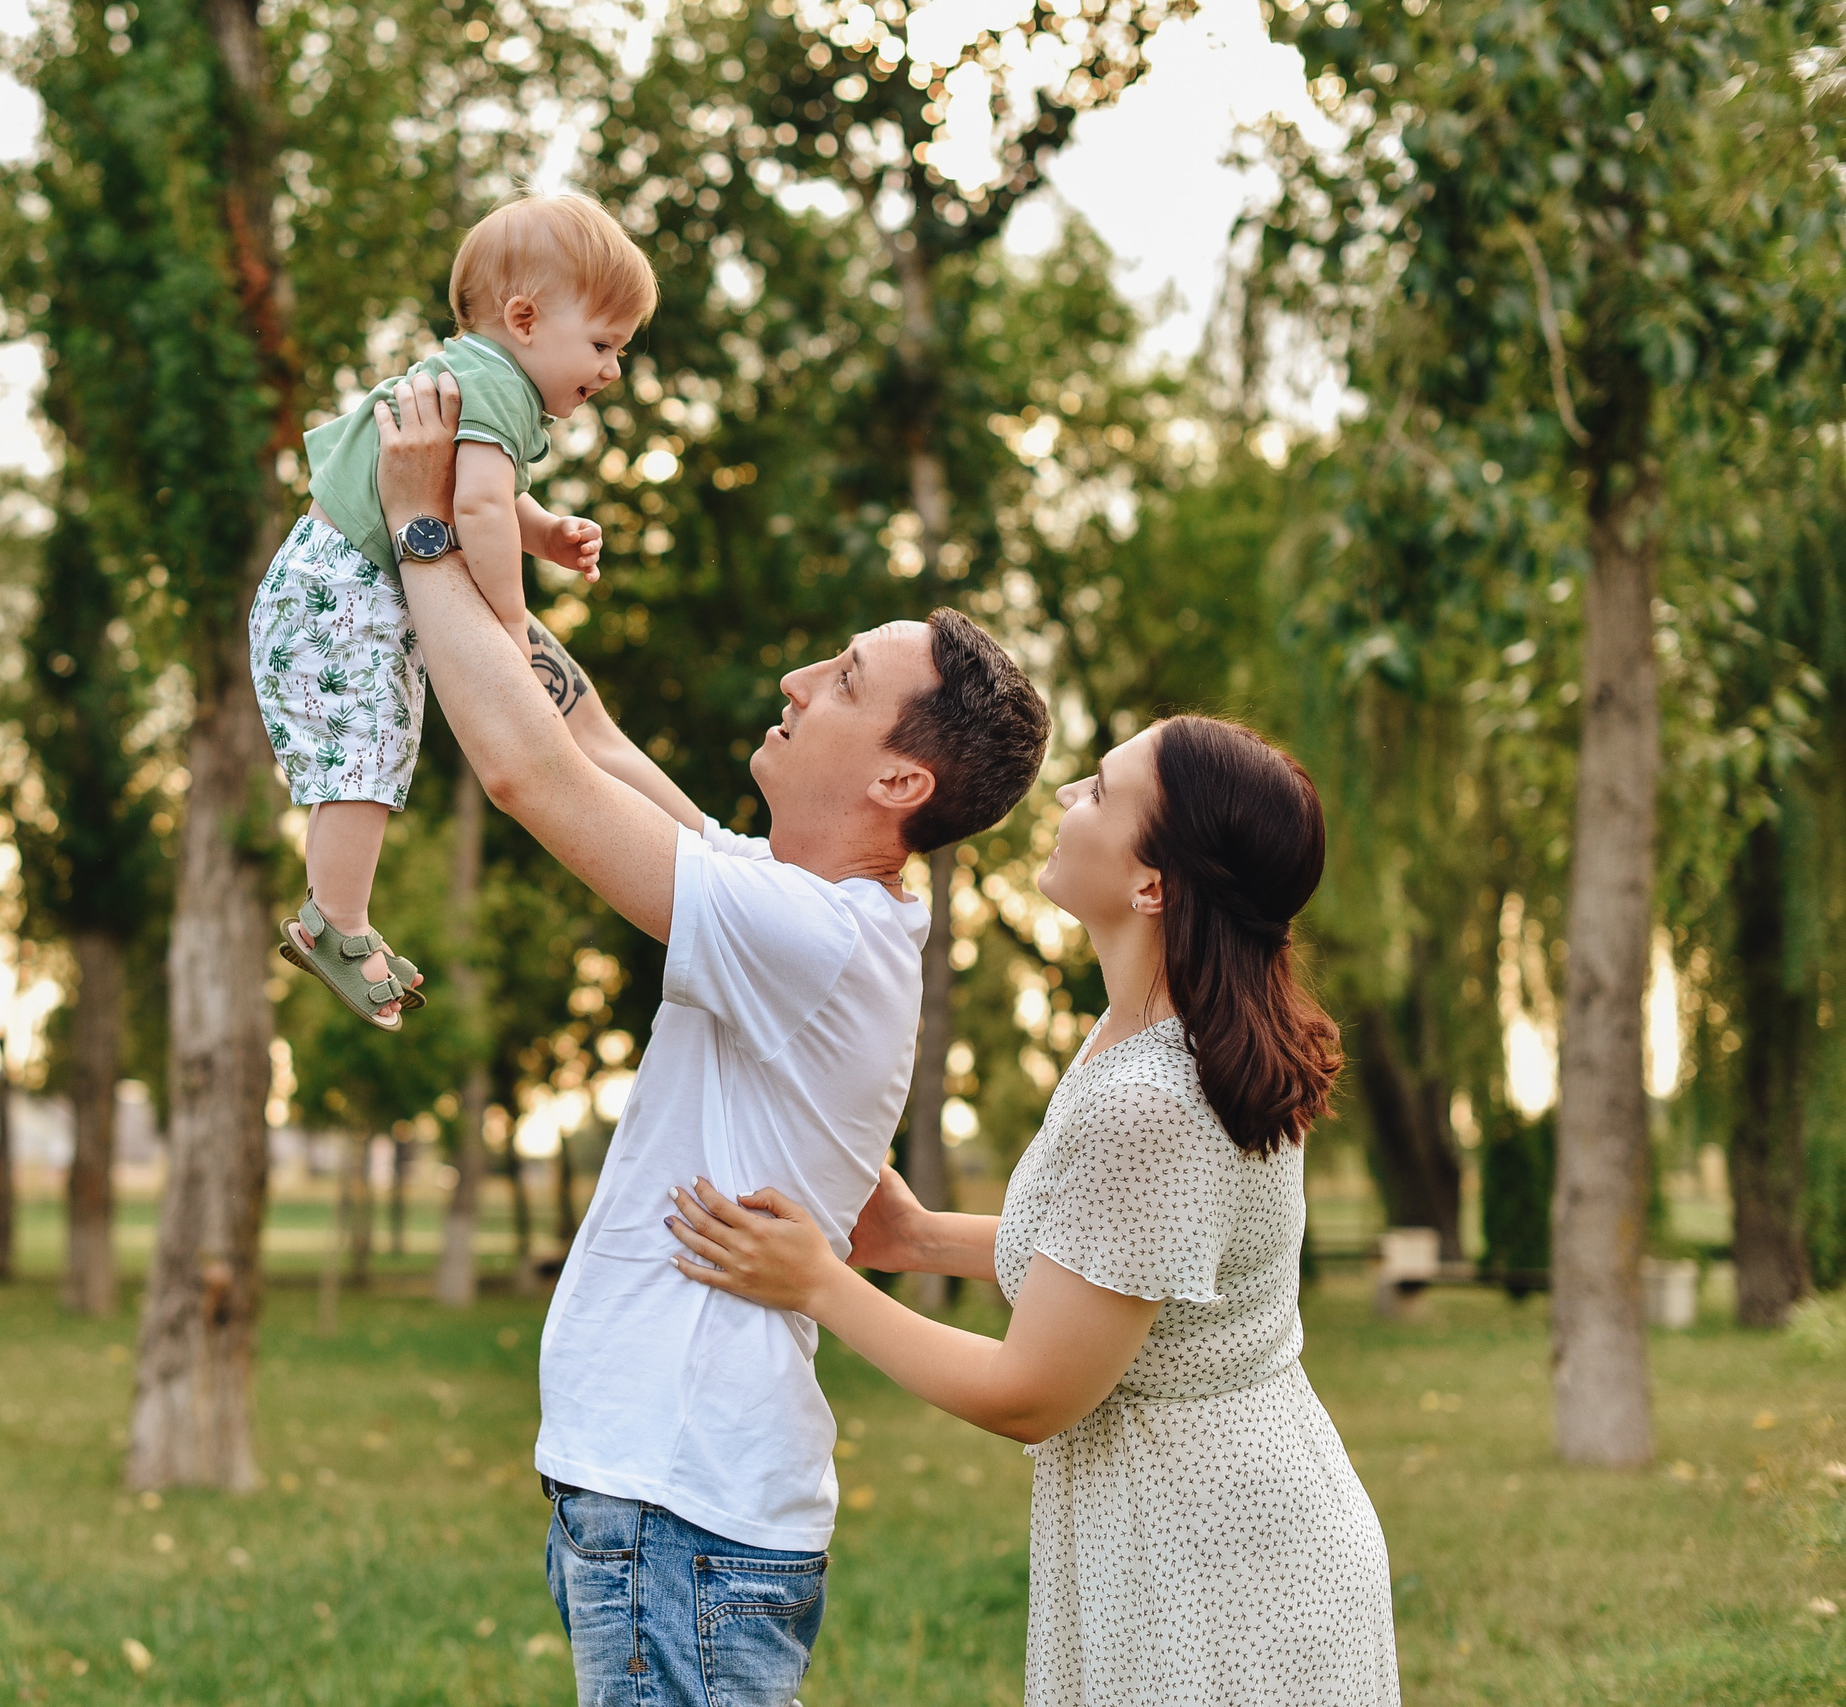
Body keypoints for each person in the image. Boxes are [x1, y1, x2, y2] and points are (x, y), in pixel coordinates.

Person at [370, 369, 1052, 1707]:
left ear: (898, 781)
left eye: (844, 678)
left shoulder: (810, 935)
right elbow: (587, 729)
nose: (798, 677)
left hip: (679, 1507)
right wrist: (483, 526)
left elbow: (529, 776)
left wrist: (419, 533)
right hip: (663, 1501)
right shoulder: (798, 907)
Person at [665, 714, 1402, 1706]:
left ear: (1153, 885)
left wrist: (822, 1286)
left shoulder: (1154, 1101)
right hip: (1201, 1521)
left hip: (1220, 1566)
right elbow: (1110, 1264)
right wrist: (915, 1237)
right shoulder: (1146, 1030)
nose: (1062, 800)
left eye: (1097, 792)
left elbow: (1033, 1392)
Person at [255, 192, 660, 1031]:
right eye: (601, 344)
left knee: (376, 744)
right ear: (524, 318)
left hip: (330, 581)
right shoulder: (498, 391)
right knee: (366, 752)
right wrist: (511, 626)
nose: (612, 370)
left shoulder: (480, 380)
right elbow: (473, 510)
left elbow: (487, 495)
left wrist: (543, 532)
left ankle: (341, 912)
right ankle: (336, 920)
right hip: (340, 590)